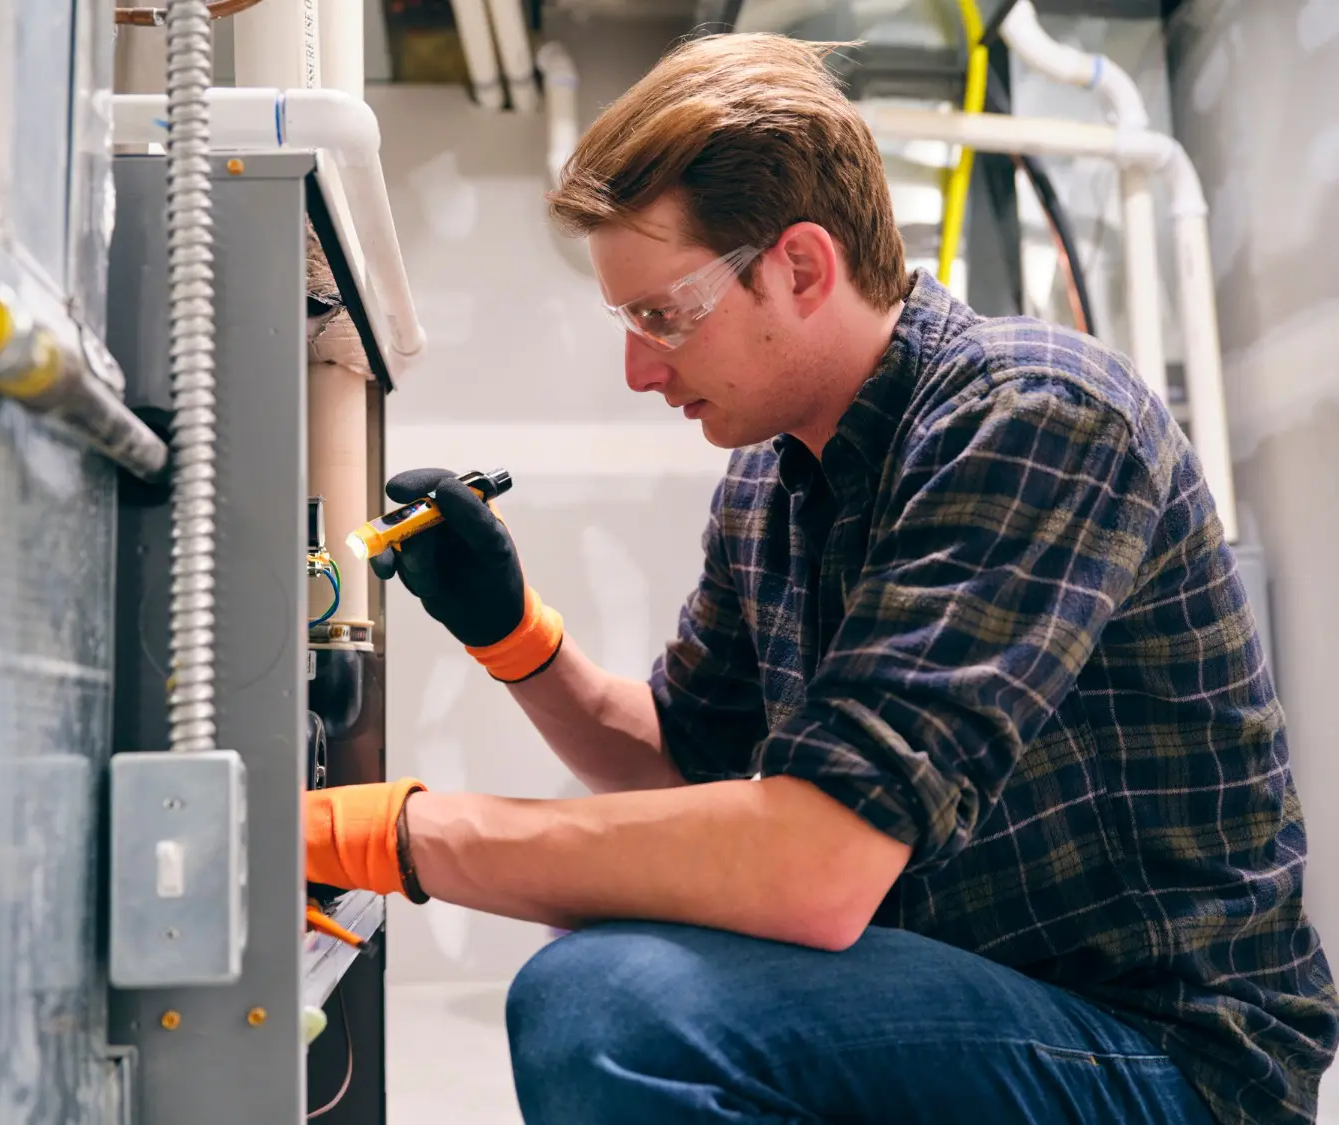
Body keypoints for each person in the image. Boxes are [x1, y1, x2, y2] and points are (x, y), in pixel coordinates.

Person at [303, 31, 1338, 1125]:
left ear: (799, 266)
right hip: (981, 1001)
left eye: (661, 315)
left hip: (1172, 1058)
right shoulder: (769, 482)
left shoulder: (1034, 416)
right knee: (618, 943)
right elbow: (679, 764)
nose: (639, 368)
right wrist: (515, 636)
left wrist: (389, 837)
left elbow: (812, 866)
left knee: (608, 999)